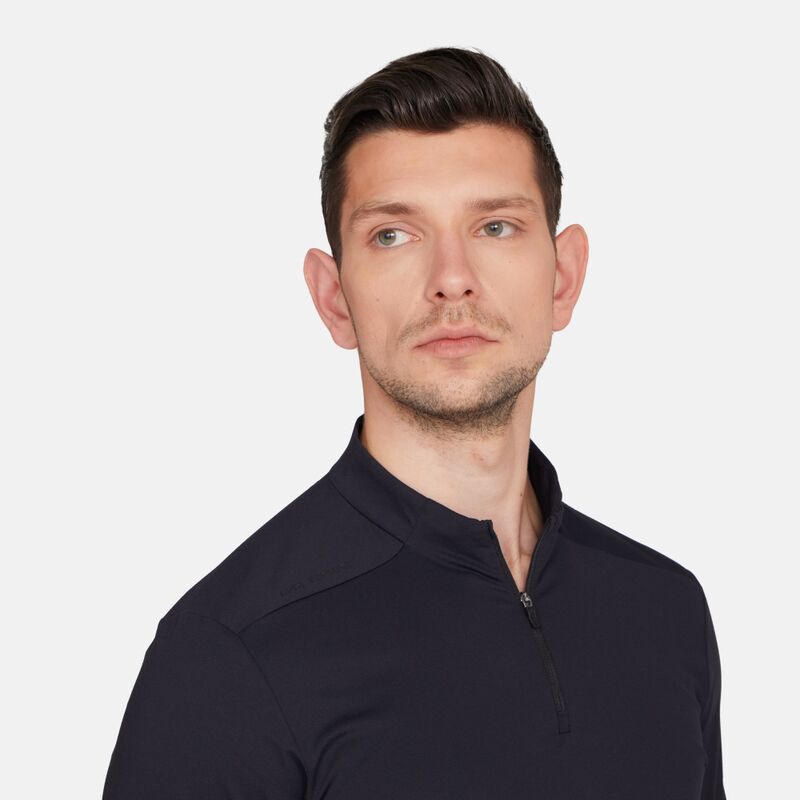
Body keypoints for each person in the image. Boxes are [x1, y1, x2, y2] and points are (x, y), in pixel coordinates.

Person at [102, 46, 726, 799]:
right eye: (393, 235)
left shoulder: (664, 610)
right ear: (334, 298)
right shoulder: (230, 652)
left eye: (496, 226)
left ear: (563, 279)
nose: (452, 278)